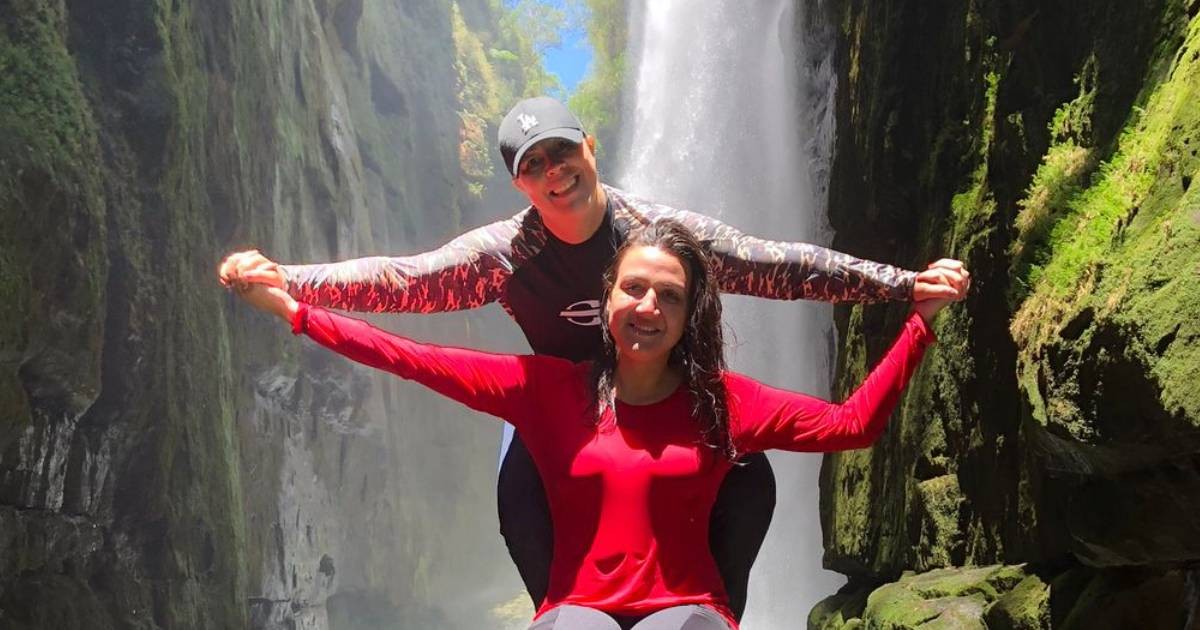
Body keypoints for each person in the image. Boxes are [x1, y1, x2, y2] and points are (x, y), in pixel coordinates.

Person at [219, 96, 969, 618]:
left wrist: (903, 287)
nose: (555, 171)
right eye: (534, 164)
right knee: (521, 512)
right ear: (519, 182)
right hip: (557, 410)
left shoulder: (658, 238)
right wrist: (289, 284)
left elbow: (781, 266)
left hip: (682, 406)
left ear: (588, 148)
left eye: (563, 152)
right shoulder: (505, 255)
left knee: (747, 490)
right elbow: (404, 283)